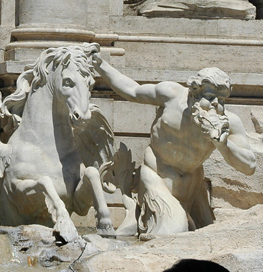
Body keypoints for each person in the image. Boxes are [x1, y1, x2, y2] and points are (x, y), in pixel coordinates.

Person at [93, 56, 256, 236]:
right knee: (174, 231)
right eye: (210, 98)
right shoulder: (171, 95)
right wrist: (101, 65)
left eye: (222, 100)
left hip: (193, 188)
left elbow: (249, 166)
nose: (216, 105)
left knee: (207, 235)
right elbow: (132, 90)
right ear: (193, 93)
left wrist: (223, 144)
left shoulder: (229, 122)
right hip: (156, 177)